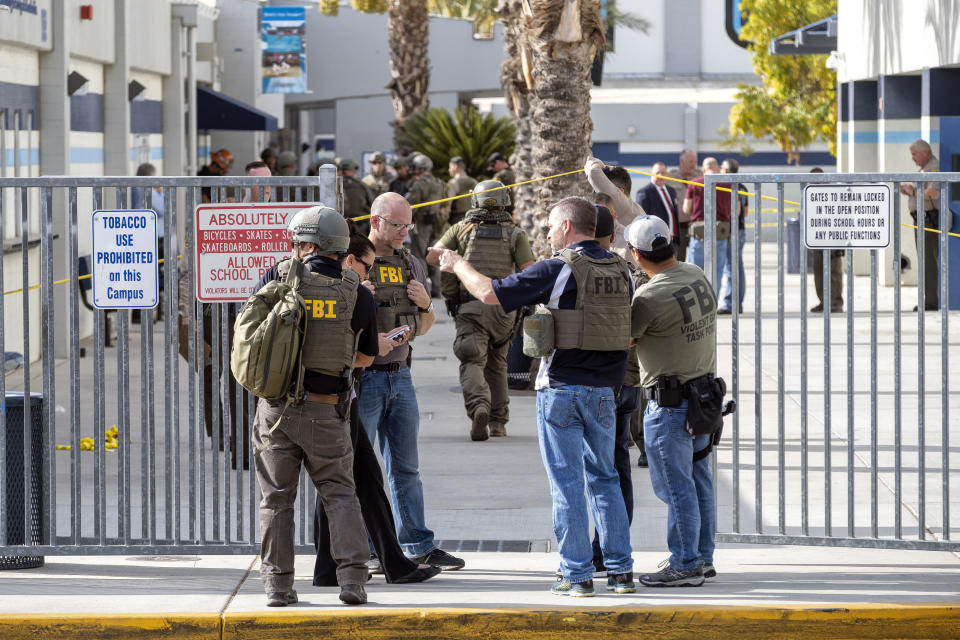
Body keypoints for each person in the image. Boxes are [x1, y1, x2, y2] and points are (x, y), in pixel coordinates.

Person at [436, 196, 634, 597]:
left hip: (561, 391)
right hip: (604, 393)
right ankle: (620, 572)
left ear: (566, 227)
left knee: (566, 485)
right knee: (606, 480)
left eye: (548, 226)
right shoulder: (623, 270)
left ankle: (576, 574)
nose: (544, 233)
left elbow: (490, 293)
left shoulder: (559, 269)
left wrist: (457, 264)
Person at [249, 206, 378, 607]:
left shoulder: (276, 278)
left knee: (276, 499)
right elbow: (367, 357)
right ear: (341, 248)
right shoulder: (357, 292)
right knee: (340, 493)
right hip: (327, 410)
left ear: (306, 244)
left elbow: (254, 339)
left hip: (276, 411)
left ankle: (278, 586)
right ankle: (352, 581)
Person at [313, 233, 442, 588]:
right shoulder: (345, 291)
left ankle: (348, 565)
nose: (370, 272)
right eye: (365, 265)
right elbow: (354, 353)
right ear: (349, 259)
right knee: (348, 480)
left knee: (359, 477)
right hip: (344, 394)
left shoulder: (294, 281)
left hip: (332, 396)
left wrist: (426, 306)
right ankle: (369, 561)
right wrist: (376, 344)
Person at [360, 192, 465, 571]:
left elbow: (426, 324)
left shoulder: (412, 263)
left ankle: (418, 544)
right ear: (375, 222)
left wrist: (423, 307)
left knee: (407, 468)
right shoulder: (355, 262)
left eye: (408, 225)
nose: (404, 232)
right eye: (396, 225)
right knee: (362, 470)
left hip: (400, 377)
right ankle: (368, 549)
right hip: (365, 379)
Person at [626, 215, 716, 588]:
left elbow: (622, 340)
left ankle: (685, 563)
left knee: (677, 489)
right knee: (699, 480)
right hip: (704, 397)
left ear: (636, 255)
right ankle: (702, 557)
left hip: (671, 405)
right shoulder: (695, 272)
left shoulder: (649, 297)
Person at [426, 180, 535, 440]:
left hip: (470, 307)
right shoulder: (515, 234)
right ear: (504, 201)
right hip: (505, 310)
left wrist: (457, 260)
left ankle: (478, 407)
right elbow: (529, 270)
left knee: (472, 360)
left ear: (475, 200)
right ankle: (498, 422)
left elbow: (432, 256)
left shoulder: (461, 229)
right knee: (498, 363)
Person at [900, 138, 944, 311]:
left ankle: (932, 301)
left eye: (914, 154)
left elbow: (933, 192)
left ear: (925, 153)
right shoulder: (925, 169)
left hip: (929, 222)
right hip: (922, 221)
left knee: (929, 262)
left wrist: (913, 191)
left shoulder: (934, 168)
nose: (912, 158)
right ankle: (931, 299)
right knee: (926, 262)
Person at [682, 157, 730, 296]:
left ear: (703, 169)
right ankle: (712, 301)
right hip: (720, 234)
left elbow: (686, 208)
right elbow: (736, 210)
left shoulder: (694, 183)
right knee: (717, 271)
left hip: (699, 234)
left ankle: (695, 303)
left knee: (693, 272)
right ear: (717, 168)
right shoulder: (727, 184)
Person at [405, 154, 445, 297]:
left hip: (421, 224)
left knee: (419, 255)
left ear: (420, 168)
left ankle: (423, 288)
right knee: (434, 253)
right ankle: (436, 289)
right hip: (437, 223)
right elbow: (445, 203)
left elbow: (412, 206)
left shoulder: (419, 184)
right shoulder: (439, 182)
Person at [807, 167, 843, 313]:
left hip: (833, 239)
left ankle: (835, 303)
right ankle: (824, 300)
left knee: (833, 272)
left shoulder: (833, 194)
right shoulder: (810, 193)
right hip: (817, 238)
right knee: (819, 271)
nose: (812, 184)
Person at [718, 158, 750, 314]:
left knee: (731, 268)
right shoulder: (742, 187)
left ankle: (731, 304)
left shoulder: (728, 187)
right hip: (741, 229)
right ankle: (738, 303)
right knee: (738, 267)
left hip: (732, 231)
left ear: (725, 171)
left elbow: (736, 212)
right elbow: (745, 212)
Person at [659, 149, 701, 261]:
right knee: (678, 260)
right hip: (679, 227)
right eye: (691, 161)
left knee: (697, 261)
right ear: (682, 161)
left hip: (696, 225)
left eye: (695, 162)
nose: (694, 165)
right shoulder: (670, 178)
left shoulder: (700, 177)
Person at [583, 157, 645, 225]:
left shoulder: (622, 204)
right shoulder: (633, 207)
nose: (600, 198)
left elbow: (593, 172)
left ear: (620, 191)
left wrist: (593, 162)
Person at [635, 162, 680, 245]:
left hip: (674, 241)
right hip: (657, 242)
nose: (660, 175)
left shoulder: (671, 191)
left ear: (667, 174)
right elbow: (642, 219)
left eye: (663, 173)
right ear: (651, 174)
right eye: (657, 173)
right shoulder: (644, 192)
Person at [341, 158, 374, 235]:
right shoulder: (361, 185)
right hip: (360, 225)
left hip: (341, 225)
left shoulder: (332, 185)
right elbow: (371, 202)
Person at [445, 156, 478, 226]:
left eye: (450, 167)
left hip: (457, 222)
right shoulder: (474, 181)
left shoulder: (453, 183)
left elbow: (447, 205)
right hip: (474, 220)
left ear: (455, 167)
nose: (449, 170)